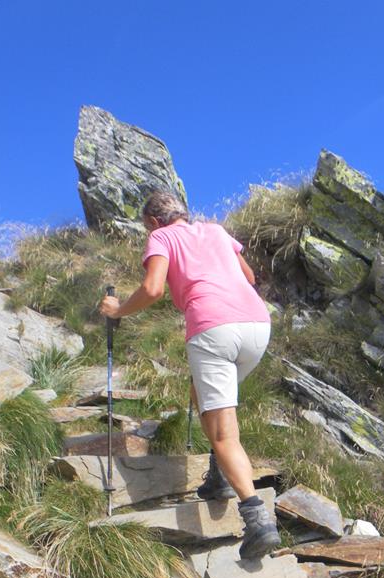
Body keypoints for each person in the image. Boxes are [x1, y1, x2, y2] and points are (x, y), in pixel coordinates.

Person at [99, 190, 280, 558]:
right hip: (257, 326)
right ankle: (219, 477)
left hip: (213, 329)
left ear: (152, 221)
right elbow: (249, 275)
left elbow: (152, 289)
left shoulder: (161, 237)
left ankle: (256, 519)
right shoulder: (215, 231)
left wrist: (117, 311)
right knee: (204, 394)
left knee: (223, 433)